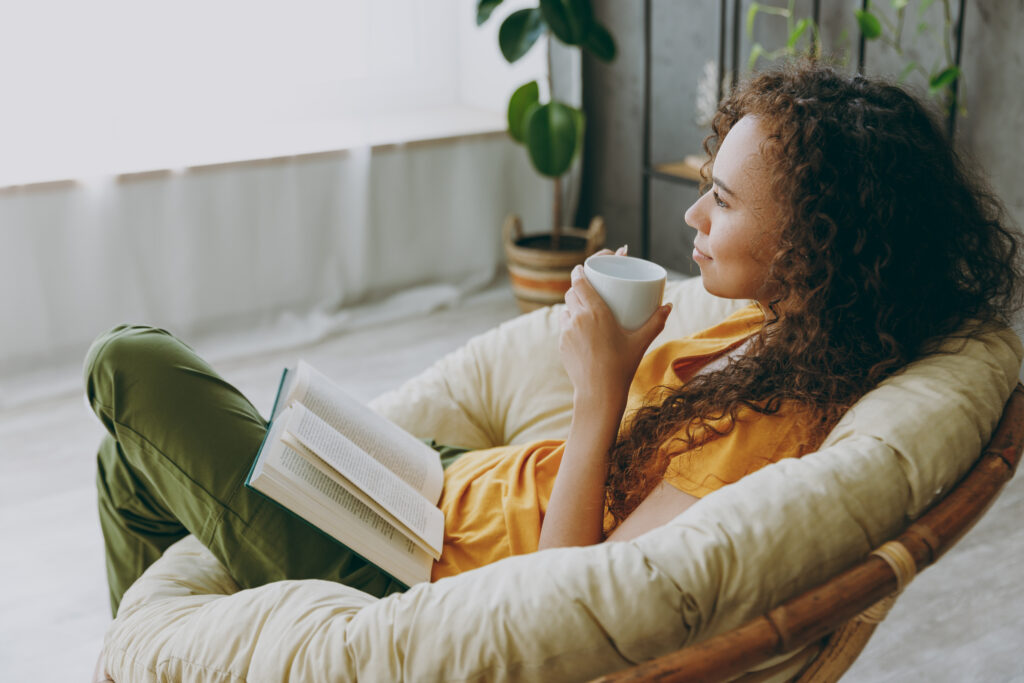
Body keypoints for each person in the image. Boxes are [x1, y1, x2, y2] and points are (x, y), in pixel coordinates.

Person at [85, 59, 1021, 627]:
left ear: (820, 242)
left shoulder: (773, 433)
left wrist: (599, 389)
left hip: (416, 572)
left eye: (723, 201)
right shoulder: (785, 333)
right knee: (127, 468)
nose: (692, 214)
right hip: (446, 491)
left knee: (128, 363)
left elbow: (571, 597)